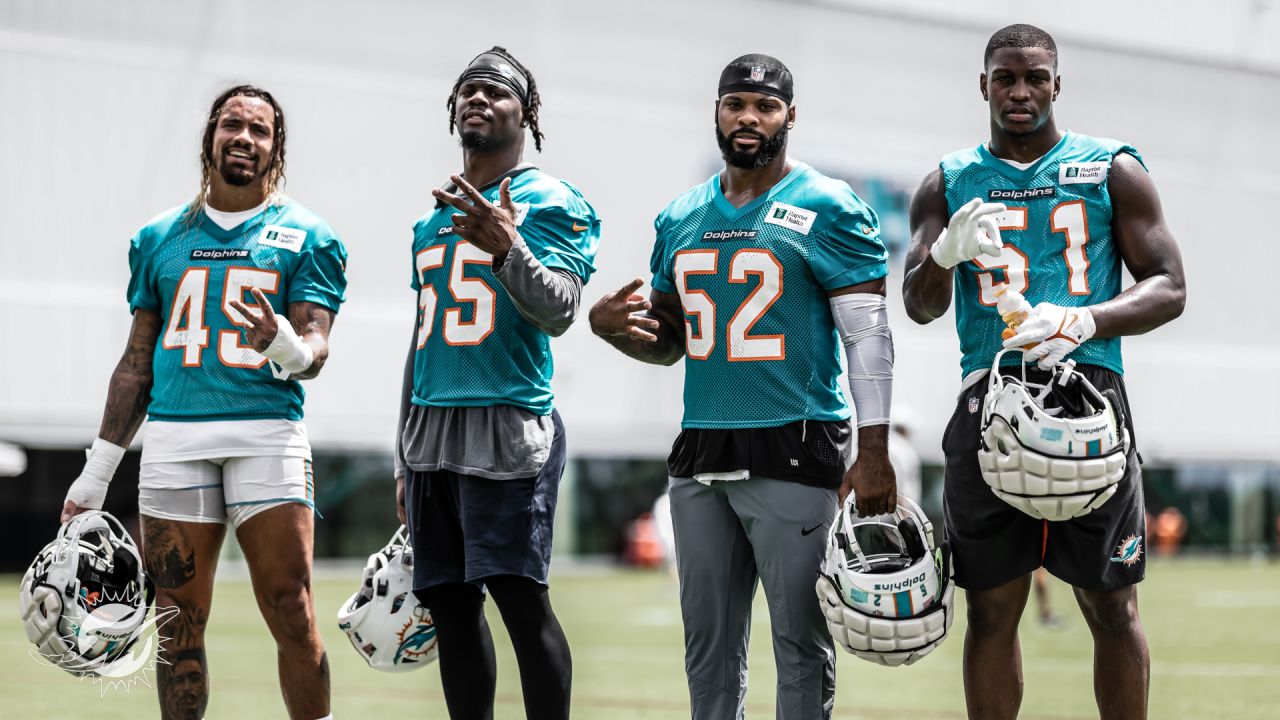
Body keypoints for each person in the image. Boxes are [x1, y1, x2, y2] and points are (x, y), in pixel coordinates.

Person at [590, 53, 895, 719]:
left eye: (765, 106)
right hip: (701, 452)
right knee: (708, 651)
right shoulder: (680, 217)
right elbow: (672, 343)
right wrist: (613, 328)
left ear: (790, 116)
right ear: (718, 112)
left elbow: (867, 341)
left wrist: (873, 453)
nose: (748, 117)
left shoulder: (828, 204)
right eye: (736, 104)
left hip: (794, 442)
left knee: (801, 646)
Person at [902, 24, 1185, 719]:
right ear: (984, 85)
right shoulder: (949, 180)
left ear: (1058, 83)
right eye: (1005, 77)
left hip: (1087, 387)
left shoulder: (1110, 168)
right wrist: (941, 257)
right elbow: (915, 304)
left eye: (1034, 77)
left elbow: (1170, 286)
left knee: (1111, 602)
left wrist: (1084, 321)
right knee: (993, 607)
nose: (1020, 91)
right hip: (989, 395)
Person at [60, 85, 347, 719]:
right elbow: (136, 364)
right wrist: (94, 476)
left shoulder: (307, 234)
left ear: (277, 149)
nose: (244, 137)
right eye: (232, 125)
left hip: (266, 433)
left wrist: (287, 347)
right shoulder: (160, 236)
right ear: (210, 137)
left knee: (291, 606)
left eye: (260, 130)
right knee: (178, 622)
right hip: (174, 439)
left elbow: (317, 346)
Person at [393, 46, 599, 720]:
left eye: (496, 91)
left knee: (518, 599)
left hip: (507, 423)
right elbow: (420, 342)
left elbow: (562, 310)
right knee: (450, 608)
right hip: (431, 435)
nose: (479, 99)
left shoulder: (551, 201)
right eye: (468, 91)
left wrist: (508, 247)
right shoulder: (433, 214)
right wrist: (402, 454)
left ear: (527, 113)